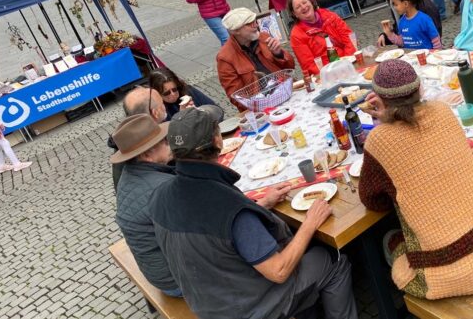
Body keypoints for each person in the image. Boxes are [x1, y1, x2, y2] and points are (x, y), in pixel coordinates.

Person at [150, 106, 358, 319]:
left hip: (208, 303)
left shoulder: (159, 195)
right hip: (252, 308)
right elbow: (279, 271)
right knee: (331, 257)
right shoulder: (228, 207)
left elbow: (215, 238)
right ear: (217, 141)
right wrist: (310, 223)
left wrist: (260, 205)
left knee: (299, 248)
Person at [358, 59, 473, 300]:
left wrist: (385, 122)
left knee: (394, 250)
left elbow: (372, 201)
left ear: (380, 100)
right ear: (419, 90)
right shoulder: (442, 110)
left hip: (454, 273)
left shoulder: (378, 140)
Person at [110, 114, 180, 297]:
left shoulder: (129, 173)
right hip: (175, 280)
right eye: (164, 141)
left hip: (158, 270)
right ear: (147, 154)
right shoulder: (161, 187)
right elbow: (198, 236)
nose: (169, 142)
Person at [217, 7, 296, 112]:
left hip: (285, 91)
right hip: (260, 107)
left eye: (255, 21)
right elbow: (236, 97)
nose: (256, 25)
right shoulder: (225, 58)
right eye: (250, 23)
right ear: (236, 31)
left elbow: (290, 67)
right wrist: (262, 104)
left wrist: (279, 54)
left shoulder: (264, 37)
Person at [110, 86, 168, 191]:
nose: (165, 107)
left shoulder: (125, 143)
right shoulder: (149, 145)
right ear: (155, 112)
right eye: (162, 104)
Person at [287, 0, 355, 76]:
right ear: (295, 14)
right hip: (326, 74)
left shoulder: (330, 16)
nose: (303, 7)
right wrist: (331, 74)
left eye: (304, 2)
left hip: (348, 62)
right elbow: (309, 65)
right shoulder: (296, 35)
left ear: (311, 2)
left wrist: (347, 62)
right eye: (298, 7)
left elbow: (349, 39)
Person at [378, 0, 442, 47]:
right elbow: (402, 34)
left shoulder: (425, 8)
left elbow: (436, 36)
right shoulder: (399, 8)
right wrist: (386, 35)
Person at [148, 68, 220, 121]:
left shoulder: (188, 91)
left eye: (174, 89)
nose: (173, 94)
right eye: (167, 93)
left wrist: (200, 112)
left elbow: (216, 109)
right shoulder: (157, 110)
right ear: (157, 94)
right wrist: (181, 116)